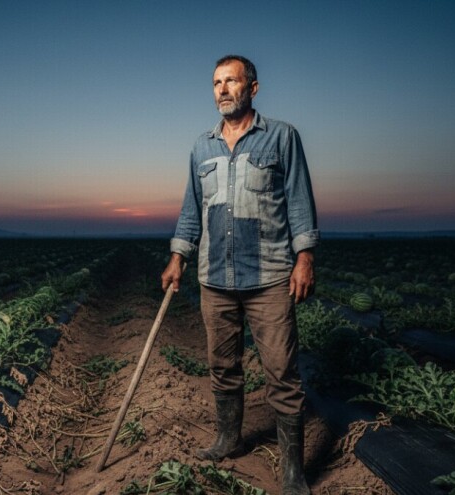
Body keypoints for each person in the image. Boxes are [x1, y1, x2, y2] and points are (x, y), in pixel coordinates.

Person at [161, 54, 318, 495]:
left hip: (269, 275)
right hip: (214, 278)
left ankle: (292, 471)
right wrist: (178, 257)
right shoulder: (201, 147)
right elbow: (191, 210)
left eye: (232, 81)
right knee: (222, 367)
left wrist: (304, 258)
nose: (222, 90)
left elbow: (300, 201)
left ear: (253, 87)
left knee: (282, 374)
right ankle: (229, 439)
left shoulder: (282, 137)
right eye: (216, 83)